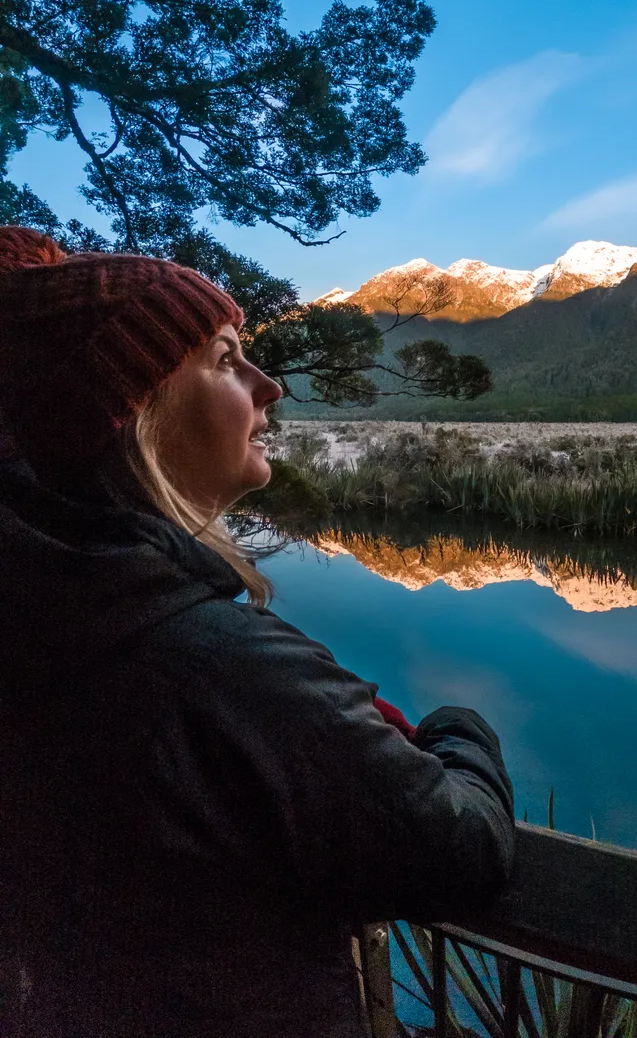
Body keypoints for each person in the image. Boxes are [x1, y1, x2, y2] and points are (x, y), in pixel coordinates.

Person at [0, 226, 515, 1038]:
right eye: (225, 360)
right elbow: (461, 850)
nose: (269, 385)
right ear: (136, 409)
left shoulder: (39, 620)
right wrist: (462, 731)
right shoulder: (215, 668)